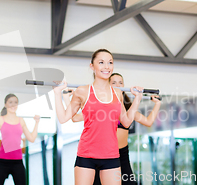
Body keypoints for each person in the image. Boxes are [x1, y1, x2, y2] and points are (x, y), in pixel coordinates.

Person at [53, 49, 144, 185]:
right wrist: (57, 93)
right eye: (101, 62)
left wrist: (138, 98)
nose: (106, 66)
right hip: (86, 155)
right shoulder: (82, 91)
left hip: (111, 156)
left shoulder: (117, 93)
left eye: (110, 62)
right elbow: (64, 117)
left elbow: (126, 122)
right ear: (92, 66)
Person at [67, 72, 161, 185]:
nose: (118, 85)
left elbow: (148, 121)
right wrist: (67, 98)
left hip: (122, 155)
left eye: (120, 83)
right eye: (114, 83)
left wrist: (157, 104)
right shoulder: (100, 109)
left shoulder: (128, 109)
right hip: (101, 154)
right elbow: (74, 118)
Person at [0, 94, 40, 185]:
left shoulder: (21, 120)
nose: (13, 105)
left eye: (15, 102)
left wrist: (37, 123)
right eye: (10, 102)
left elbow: (32, 138)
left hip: (17, 162)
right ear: (5, 104)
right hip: (2, 161)